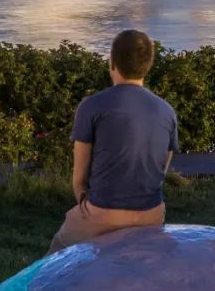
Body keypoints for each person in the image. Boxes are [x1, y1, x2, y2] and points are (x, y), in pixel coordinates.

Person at [49, 29, 178, 254]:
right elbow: (161, 170)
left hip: (104, 212)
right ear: (148, 65)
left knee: (56, 257)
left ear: (112, 63)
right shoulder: (167, 111)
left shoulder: (92, 106)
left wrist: (87, 206)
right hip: (152, 214)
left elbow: (79, 177)